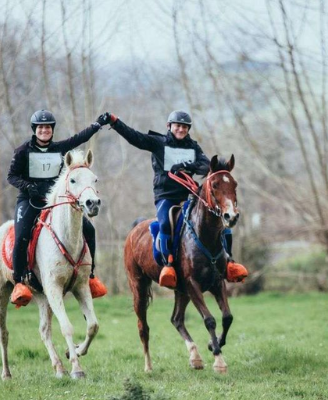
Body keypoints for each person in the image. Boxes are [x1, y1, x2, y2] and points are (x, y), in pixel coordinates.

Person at [106, 110, 247, 288]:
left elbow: (205, 165)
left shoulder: (193, 147)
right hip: (165, 197)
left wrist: (187, 165)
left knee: (218, 220)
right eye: (177, 126)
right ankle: (168, 265)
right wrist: (115, 122)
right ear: (169, 126)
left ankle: (229, 262)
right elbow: (135, 137)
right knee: (165, 223)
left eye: (184, 127)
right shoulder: (158, 143)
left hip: (189, 195)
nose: (181, 129)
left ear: (188, 129)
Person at [6, 109, 109, 307]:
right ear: (34, 130)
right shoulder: (22, 151)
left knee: (89, 229)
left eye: (48, 127)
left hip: (55, 201)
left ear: (52, 130)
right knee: (21, 236)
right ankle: (19, 282)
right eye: (41, 127)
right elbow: (11, 176)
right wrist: (27, 186)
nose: (44, 130)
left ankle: (92, 276)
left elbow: (79, 138)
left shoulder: (60, 148)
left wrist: (97, 125)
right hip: (29, 201)